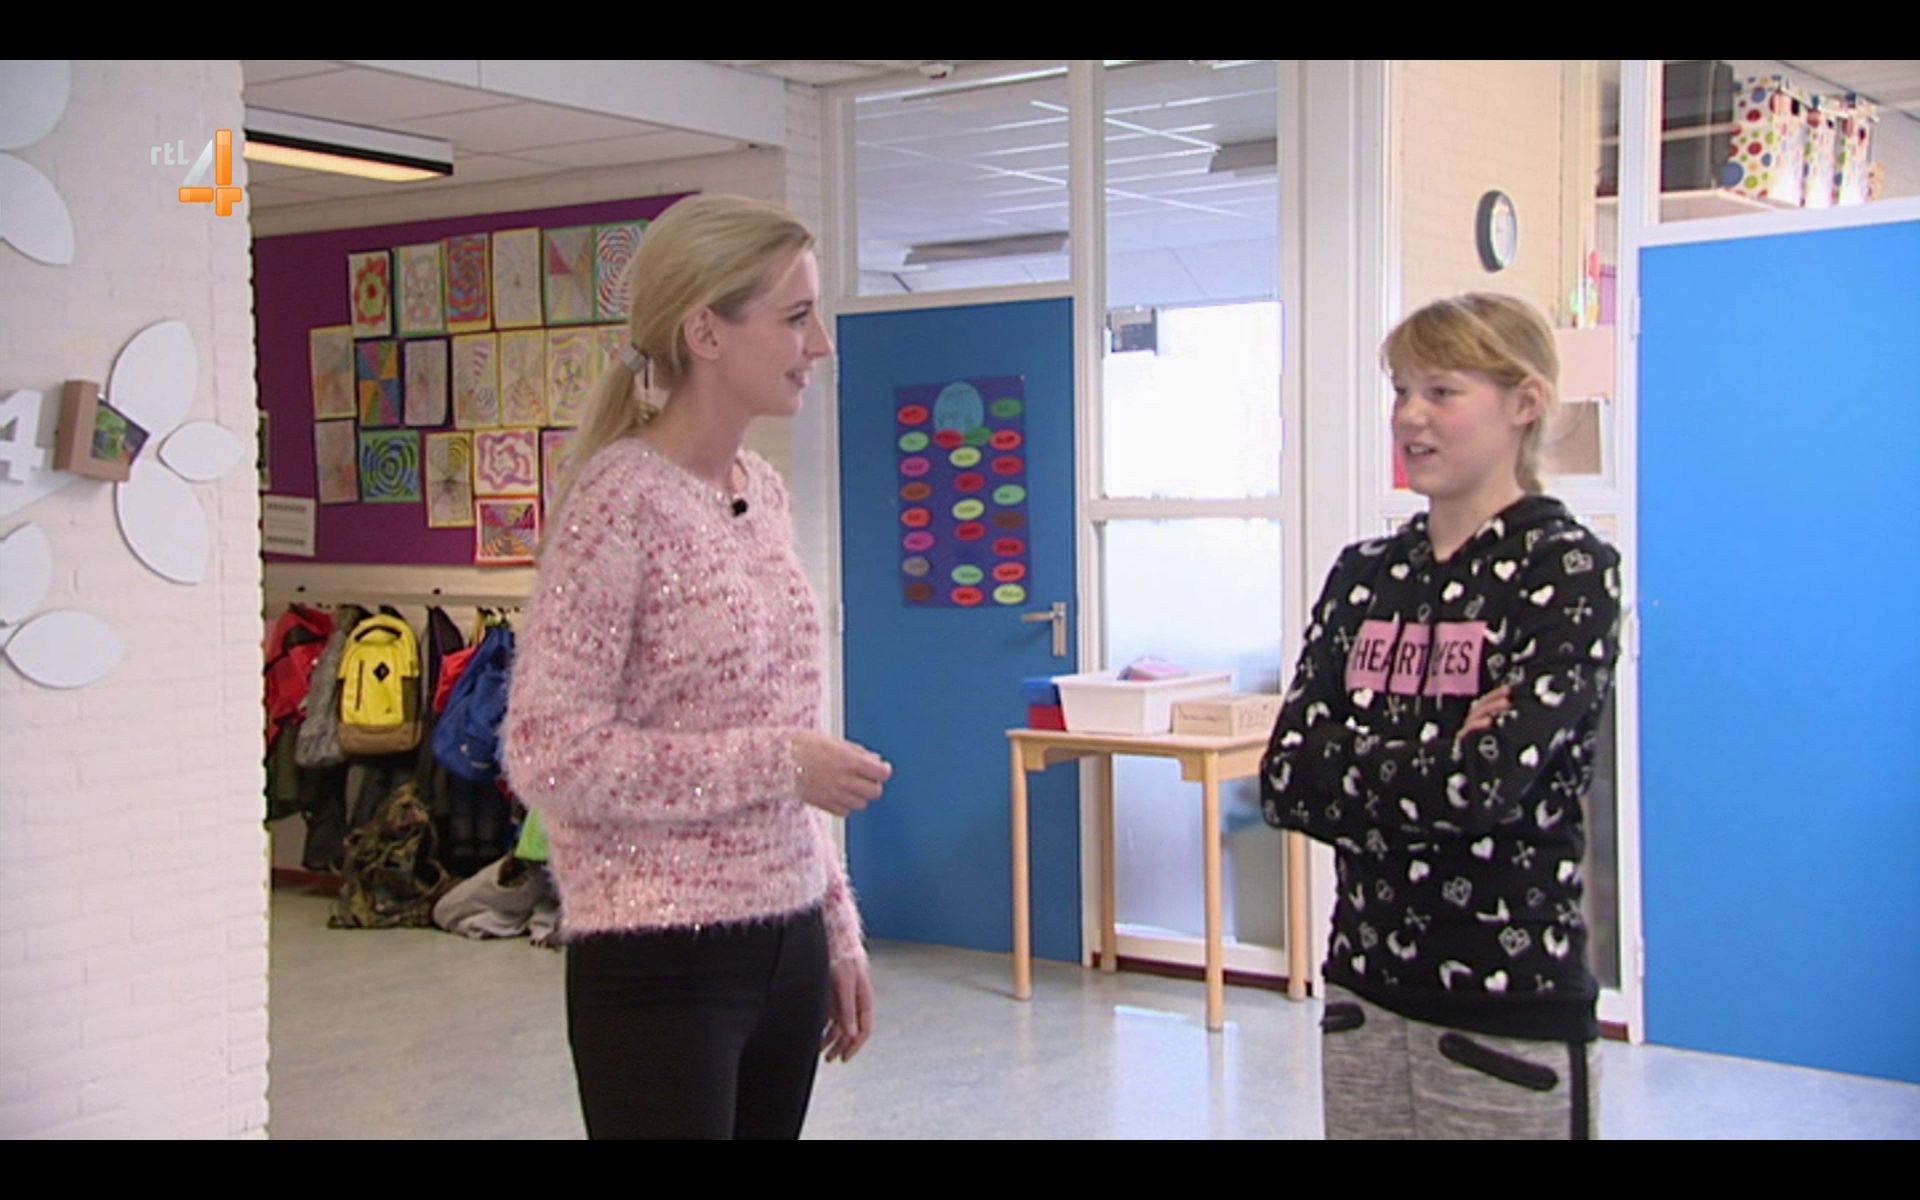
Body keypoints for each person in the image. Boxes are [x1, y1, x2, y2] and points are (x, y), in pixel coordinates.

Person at [503, 194, 893, 1140]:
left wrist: (836, 927)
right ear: (706, 332)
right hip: (660, 962)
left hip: (787, 943)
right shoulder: (619, 504)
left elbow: (790, 736)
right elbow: (551, 754)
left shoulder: (762, 492)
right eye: (795, 318)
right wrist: (777, 764)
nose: (820, 345)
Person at [1260, 293, 1622, 1140]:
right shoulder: (1365, 574)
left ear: (1525, 402)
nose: (1409, 417)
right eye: (1401, 391)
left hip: (1507, 1008)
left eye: (1442, 392)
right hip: (1363, 989)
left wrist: (1363, 755)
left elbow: (1483, 788)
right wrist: (1442, 750)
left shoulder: (1567, 569)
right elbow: (1286, 777)